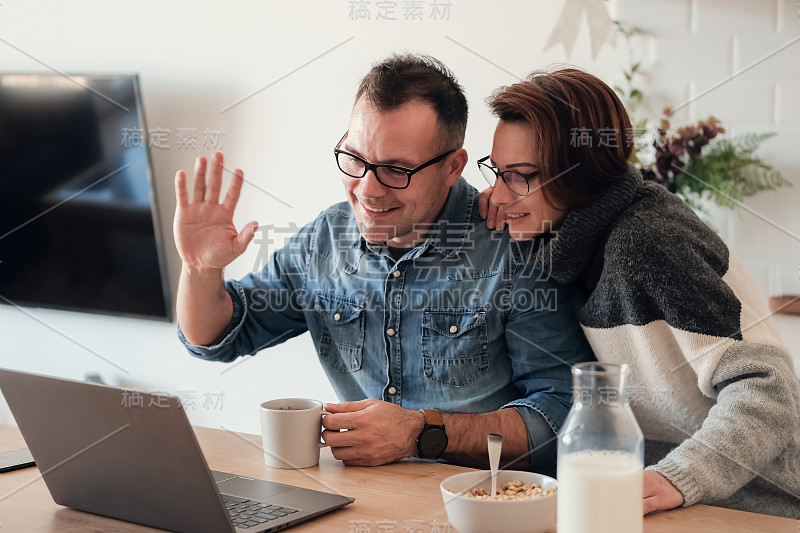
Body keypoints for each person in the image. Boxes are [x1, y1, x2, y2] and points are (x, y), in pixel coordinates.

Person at [173, 54, 594, 471]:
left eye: (396, 169)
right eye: (355, 159)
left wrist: (423, 432)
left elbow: (563, 415)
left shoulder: (513, 245)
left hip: (483, 506)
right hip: (361, 504)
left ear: (453, 167)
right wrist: (199, 269)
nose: (368, 190)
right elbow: (217, 337)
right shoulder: (324, 242)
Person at [477, 67, 800, 518]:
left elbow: (769, 389)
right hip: (659, 502)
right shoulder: (564, 239)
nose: (498, 193)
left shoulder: (647, 241)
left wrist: (678, 475)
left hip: (750, 504)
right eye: (497, 171)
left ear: (581, 172)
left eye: (520, 174)